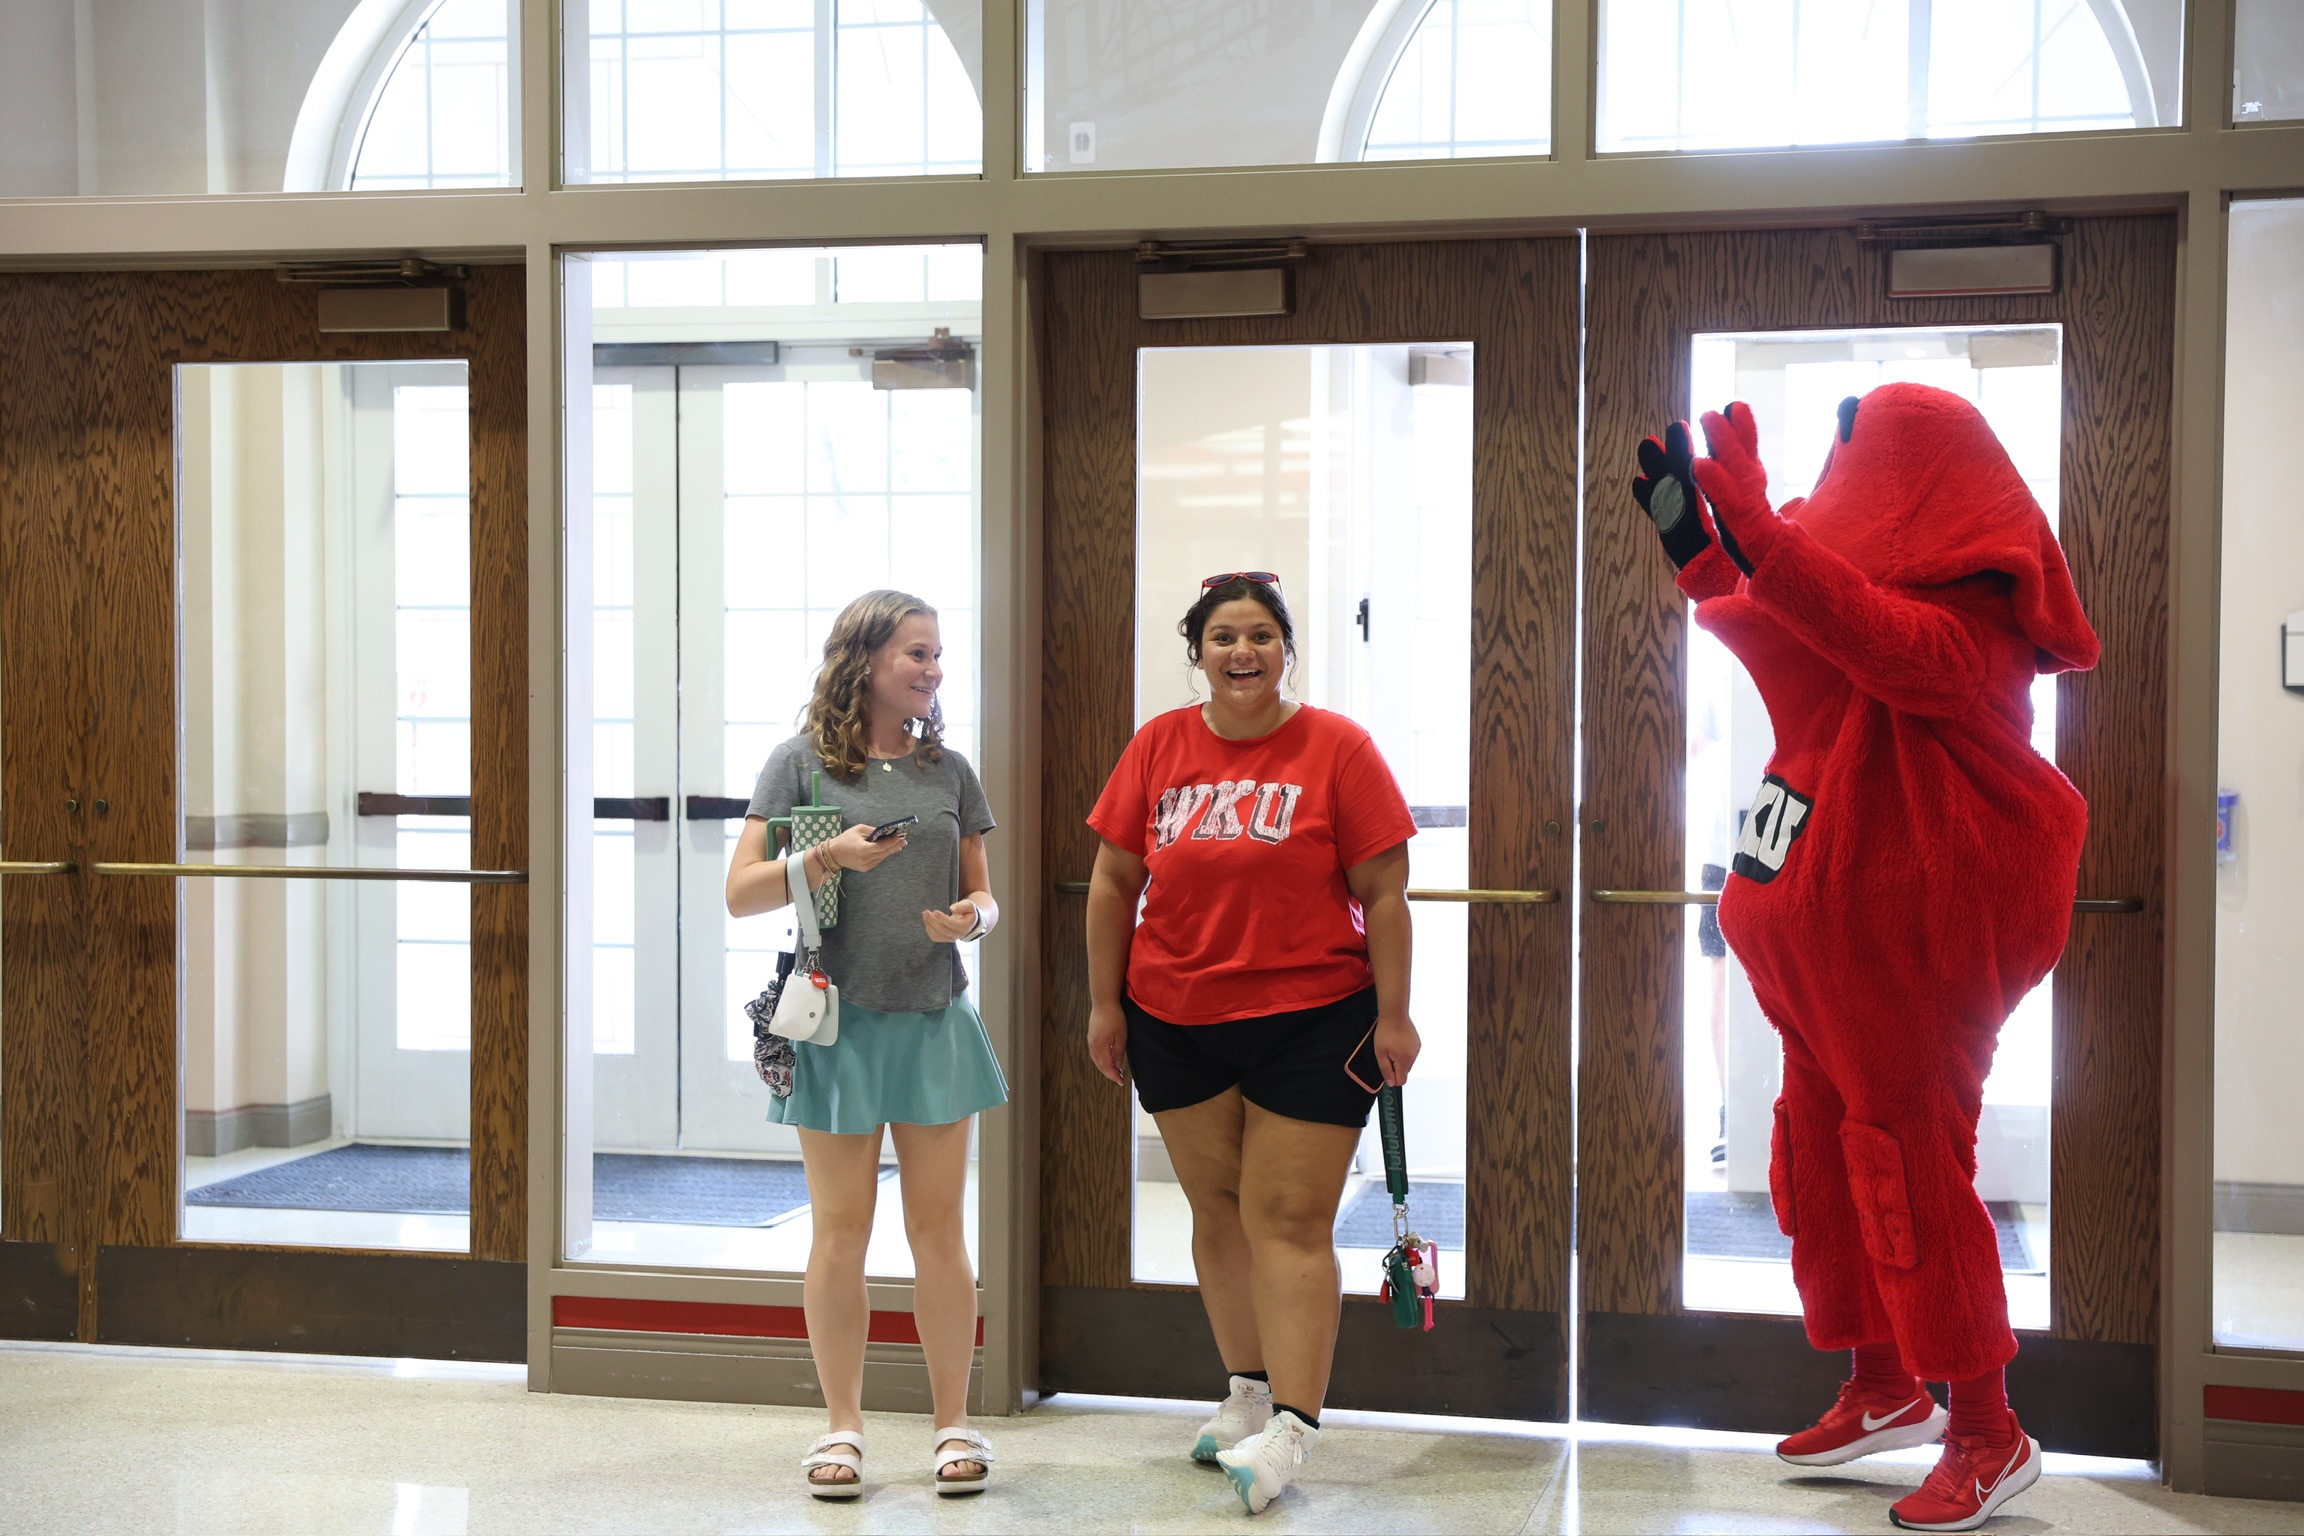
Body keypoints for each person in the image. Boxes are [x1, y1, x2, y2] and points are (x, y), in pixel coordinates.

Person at [1630, 389, 2098, 1533]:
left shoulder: (1980, 626)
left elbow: (1898, 652)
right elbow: (1787, 635)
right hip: (1816, 971)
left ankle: (1991, 1430)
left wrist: (1770, 536)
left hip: (1911, 974)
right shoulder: (1836, 610)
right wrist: (1705, 548)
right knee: (1828, 1168)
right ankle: (1883, 1386)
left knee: (1912, 1176)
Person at [1083, 573, 1421, 1516]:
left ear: (1286, 649)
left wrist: (1394, 1015)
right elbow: (1113, 882)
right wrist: (1105, 1007)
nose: (1243, 653)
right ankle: (1245, 1390)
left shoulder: (1338, 749)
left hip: (1313, 1020)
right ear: (1197, 652)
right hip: (1175, 1018)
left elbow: (1385, 894)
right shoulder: (1158, 746)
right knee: (1219, 1212)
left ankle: (1294, 1429)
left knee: (1288, 1220)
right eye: (1224, 636)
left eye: (1262, 635)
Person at [725, 589, 1007, 1500]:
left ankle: (953, 1424)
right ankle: (841, 1428)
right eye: (915, 654)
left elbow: (985, 896)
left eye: (936, 656)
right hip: (834, 1025)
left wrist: (975, 918)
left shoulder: (951, 772)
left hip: (933, 1019)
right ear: (864, 661)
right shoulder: (797, 764)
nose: (931, 670)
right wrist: (825, 858)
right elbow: (742, 893)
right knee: (841, 1235)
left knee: (939, 1234)